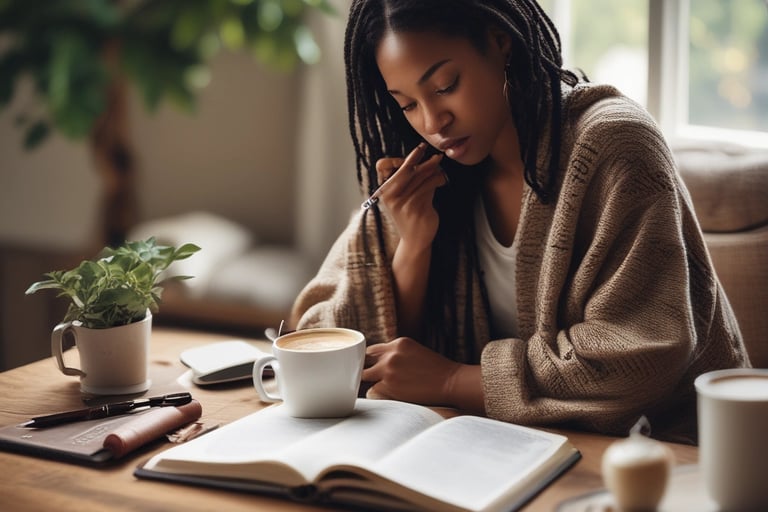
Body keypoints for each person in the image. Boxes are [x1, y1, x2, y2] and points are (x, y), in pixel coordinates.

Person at [290, 0, 749, 443]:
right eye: (407, 104)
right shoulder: (423, 178)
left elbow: (640, 355)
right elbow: (320, 339)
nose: (434, 121)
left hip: (668, 453)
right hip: (496, 448)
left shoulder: (613, 145)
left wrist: (452, 381)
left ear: (500, 42)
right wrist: (413, 247)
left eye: (446, 85)